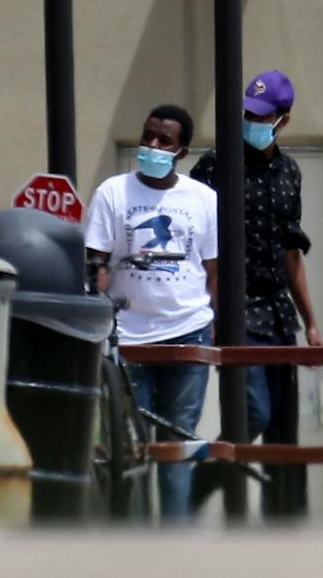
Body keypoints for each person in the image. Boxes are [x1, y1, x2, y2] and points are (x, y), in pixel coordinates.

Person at [188, 69, 321, 515]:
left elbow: (291, 253)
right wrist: (206, 308)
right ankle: (200, 481)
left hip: (278, 314)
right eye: (247, 112)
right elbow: (194, 239)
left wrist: (311, 321)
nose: (251, 120)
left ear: (283, 119)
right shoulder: (215, 164)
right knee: (252, 415)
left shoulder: (290, 173)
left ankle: (284, 526)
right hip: (234, 309)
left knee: (284, 431)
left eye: (261, 115)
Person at [83, 104, 217, 522]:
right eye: (148, 136)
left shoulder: (202, 198)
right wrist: (105, 317)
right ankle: (134, 547)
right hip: (128, 338)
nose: (153, 146)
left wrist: (211, 319)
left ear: (182, 150)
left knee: (177, 443)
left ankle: (176, 548)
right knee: (128, 447)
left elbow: (214, 269)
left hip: (188, 334)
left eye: (164, 141)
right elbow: (95, 264)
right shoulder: (113, 192)